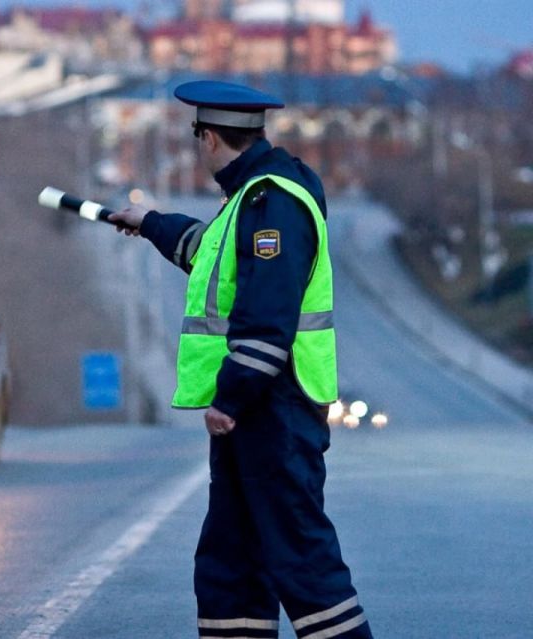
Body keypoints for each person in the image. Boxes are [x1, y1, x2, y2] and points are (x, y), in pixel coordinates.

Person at [108, 80, 373, 639]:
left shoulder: (271, 200)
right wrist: (149, 221)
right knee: (232, 561)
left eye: (196, 135)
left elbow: (266, 313)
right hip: (261, 410)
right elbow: (211, 255)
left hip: (273, 407)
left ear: (207, 138)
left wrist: (230, 399)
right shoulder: (252, 197)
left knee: (301, 558)